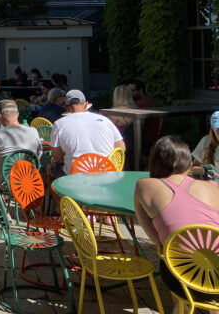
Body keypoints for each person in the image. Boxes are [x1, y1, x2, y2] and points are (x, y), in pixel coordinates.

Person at [134, 136, 219, 310]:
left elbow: (158, 242)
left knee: (169, 254)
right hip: (217, 280)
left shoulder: (143, 185)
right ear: (189, 163)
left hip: (180, 279)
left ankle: (184, 307)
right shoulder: (212, 187)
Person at [49, 89, 125, 178]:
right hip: (107, 174)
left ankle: (56, 192)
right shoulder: (105, 120)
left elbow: (58, 158)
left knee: (50, 168)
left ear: (66, 107)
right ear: (86, 104)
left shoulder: (59, 124)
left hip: (75, 176)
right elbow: (121, 147)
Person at [0, 100, 42, 188]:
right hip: (27, 183)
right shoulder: (34, 131)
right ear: (17, 114)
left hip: (4, 183)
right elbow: (38, 156)